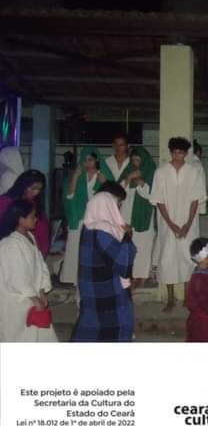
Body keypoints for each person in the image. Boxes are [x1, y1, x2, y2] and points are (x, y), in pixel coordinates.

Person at [70, 190, 137, 342]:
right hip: (106, 289)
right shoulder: (103, 231)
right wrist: (127, 237)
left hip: (90, 288)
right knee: (111, 328)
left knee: (89, 327)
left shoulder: (87, 228)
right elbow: (124, 264)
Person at [150, 137, 207, 312]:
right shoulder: (161, 172)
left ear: (186, 153)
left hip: (189, 223)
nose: (177, 156)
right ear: (170, 152)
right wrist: (171, 224)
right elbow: (159, 200)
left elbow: (196, 199)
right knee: (167, 259)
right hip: (167, 224)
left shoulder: (193, 172)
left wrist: (188, 224)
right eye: (174, 152)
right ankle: (170, 299)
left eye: (180, 152)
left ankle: (188, 298)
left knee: (188, 258)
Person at [0, 200, 57, 342]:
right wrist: (34, 298)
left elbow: (40, 265)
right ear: (20, 219)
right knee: (20, 336)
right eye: (32, 217)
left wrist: (42, 290)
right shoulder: (10, 244)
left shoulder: (29, 236)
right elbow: (16, 277)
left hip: (33, 294)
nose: (36, 220)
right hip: (18, 299)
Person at [60, 146, 107, 285]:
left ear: (96, 160)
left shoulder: (103, 175)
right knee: (76, 249)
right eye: (85, 160)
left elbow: (112, 196)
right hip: (80, 218)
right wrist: (75, 176)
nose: (88, 163)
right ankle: (76, 280)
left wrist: (105, 183)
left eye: (90, 160)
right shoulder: (78, 175)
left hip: (98, 220)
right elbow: (69, 196)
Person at [120, 147, 156, 285]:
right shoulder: (128, 171)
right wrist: (129, 177)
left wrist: (140, 182)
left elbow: (151, 194)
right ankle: (131, 274)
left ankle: (143, 275)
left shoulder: (151, 172)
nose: (135, 162)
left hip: (144, 215)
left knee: (144, 245)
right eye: (133, 159)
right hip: (127, 214)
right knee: (130, 245)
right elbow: (119, 190)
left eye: (138, 160)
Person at [0, 170, 51, 257]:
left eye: (39, 189)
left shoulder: (36, 204)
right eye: (33, 188)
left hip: (34, 251)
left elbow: (43, 232)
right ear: (23, 184)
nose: (36, 192)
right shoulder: (5, 202)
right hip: (12, 250)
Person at [189, 140, 208, 215]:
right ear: (198, 152)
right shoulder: (197, 165)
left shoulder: (189, 164)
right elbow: (201, 186)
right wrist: (202, 205)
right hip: (195, 200)